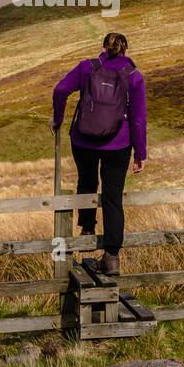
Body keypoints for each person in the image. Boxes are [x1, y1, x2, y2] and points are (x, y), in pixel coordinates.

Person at [51, 33, 147, 276]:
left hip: (84, 140)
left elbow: (60, 90)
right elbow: (138, 119)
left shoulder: (87, 67)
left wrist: (58, 119)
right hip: (119, 144)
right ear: (125, 50)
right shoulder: (134, 76)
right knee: (113, 197)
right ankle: (112, 258)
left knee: (86, 180)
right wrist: (140, 153)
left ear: (104, 47)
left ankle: (86, 229)